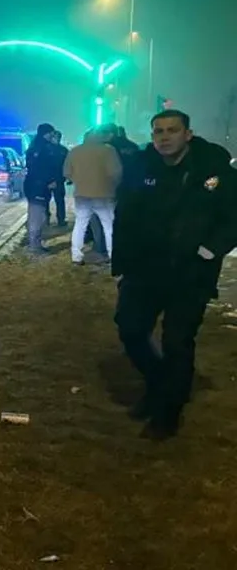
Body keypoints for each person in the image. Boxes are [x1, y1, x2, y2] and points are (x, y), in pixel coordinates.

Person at [112, 109, 237, 439]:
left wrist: (210, 250)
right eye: (158, 131)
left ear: (187, 134)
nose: (164, 137)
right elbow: (124, 214)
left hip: (190, 273)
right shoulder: (141, 167)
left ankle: (168, 411)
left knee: (177, 341)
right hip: (145, 269)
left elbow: (233, 217)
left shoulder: (213, 170)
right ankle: (159, 385)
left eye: (172, 130)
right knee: (130, 329)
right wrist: (123, 262)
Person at [64, 126, 121, 264]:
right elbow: (115, 173)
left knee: (80, 225)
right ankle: (113, 256)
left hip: (82, 194)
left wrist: (78, 180)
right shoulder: (108, 150)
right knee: (109, 226)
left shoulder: (75, 151)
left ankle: (76, 256)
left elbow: (66, 172)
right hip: (104, 194)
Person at [23, 123, 65, 253]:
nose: (53, 136)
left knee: (38, 215)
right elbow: (41, 168)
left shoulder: (36, 146)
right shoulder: (43, 148)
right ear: (46, 133)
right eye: (51, 133)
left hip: (35, 185)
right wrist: (49, 181)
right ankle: (34, 245)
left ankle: (35, 242)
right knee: (37, 217)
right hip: (38, 187)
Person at [48, 130, 69, 227]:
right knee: (48, 201)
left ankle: (61, 219)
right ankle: (49, 218)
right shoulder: (63, 150)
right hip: (51, 179)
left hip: (57, 179)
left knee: (59, 201)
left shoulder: (63, 150)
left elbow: (68, 165)